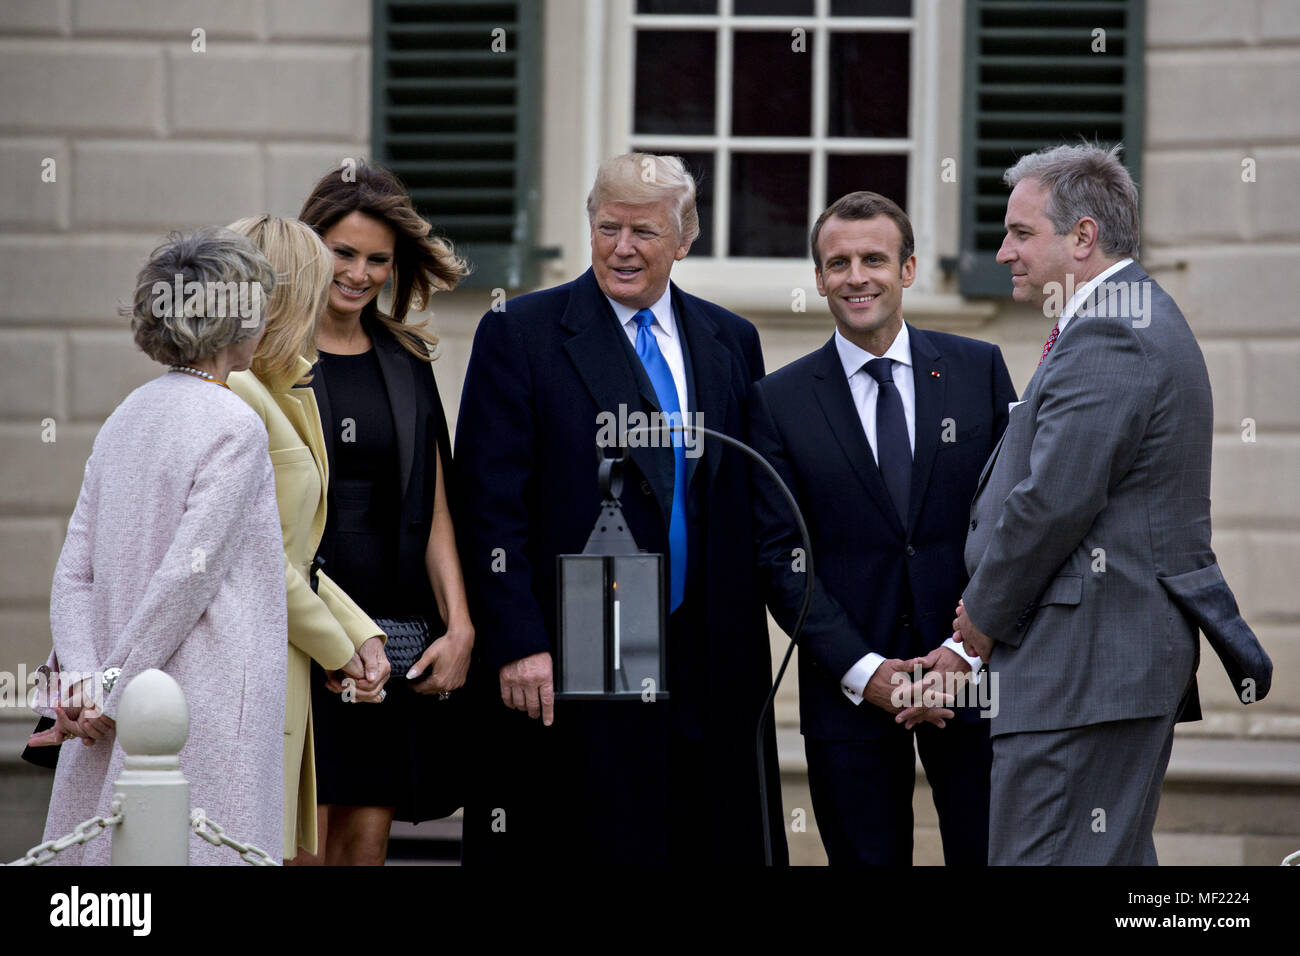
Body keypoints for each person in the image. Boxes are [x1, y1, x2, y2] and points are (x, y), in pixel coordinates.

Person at [456, 152, 786, 865]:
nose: (623, 248)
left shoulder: (732, 340)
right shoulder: (521, 332)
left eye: (643, 232)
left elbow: (746, 500)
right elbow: (488, 505)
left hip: (706, 662)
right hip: (576, 657)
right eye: (608, 228)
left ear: (684, 238)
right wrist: (516, 642)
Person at [957, 143, 1255, 864]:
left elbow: (1053, 502)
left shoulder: (1112, 330)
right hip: (1094, 671)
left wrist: (978, 628)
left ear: (1083, 236)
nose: (1002, 253)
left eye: (1021, 233)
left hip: (1080, 672)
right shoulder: (1118, 318)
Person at [748, 192, 1016, 865]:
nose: (856, 276)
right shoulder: (777, 401)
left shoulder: (977, 370)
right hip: (849, 689)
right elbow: (780, 556)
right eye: (837, 263)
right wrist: (866, 672)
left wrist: (967, 651)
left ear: (908, 269)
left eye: (874, 258)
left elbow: (1015, 522)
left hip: (978, 679)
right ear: (818, 280)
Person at [34, 227, 287, 864]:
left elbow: (74, 573)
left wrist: (89, 686)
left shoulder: (129, 413)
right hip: (194, 704)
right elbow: (186, 580)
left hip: (112, 703)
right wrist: (112, 696)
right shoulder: (235, 424)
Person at [295, 163, 474, 866]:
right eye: (344, 252)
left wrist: (459, 627)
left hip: (391, 632)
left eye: (378, 259)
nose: (360, 273)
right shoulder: (266, 355)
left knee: (365, 845)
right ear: (311, 248)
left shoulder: (406, 358)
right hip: (299, 629)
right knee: (297, 843)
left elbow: (434, 511)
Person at [226, 215, 390, 863]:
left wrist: (360, 630)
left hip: (281, 657)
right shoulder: (237, 392)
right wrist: (338, 645)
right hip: (243, 666)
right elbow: (255, 552)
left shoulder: (283, 388)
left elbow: (297, 550)